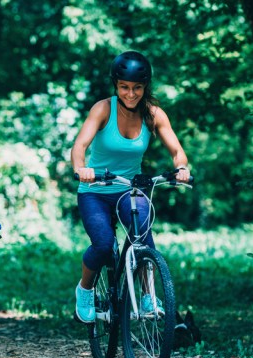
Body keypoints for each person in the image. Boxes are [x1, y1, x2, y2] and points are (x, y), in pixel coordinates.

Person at [70, 51, 190, 323]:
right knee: (103, 245)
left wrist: (181, 168)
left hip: (129, 189)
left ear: (145, 86)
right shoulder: (103, 109)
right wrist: (82, 169)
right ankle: (85, 289)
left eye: (137, 87)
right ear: (116, 85)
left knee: (142, 234)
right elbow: (79, 146)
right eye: (124, 87)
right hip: (95, 190)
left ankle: (148, 296)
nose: (131, 93)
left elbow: (177, 151)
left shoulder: (153, 114)